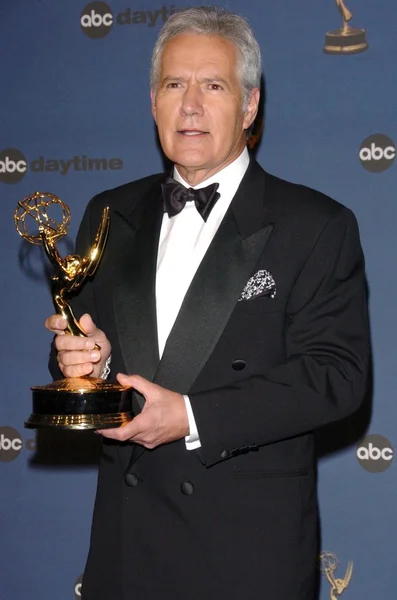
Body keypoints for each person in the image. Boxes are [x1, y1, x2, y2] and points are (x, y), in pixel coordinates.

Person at [46, 6, 369, 600]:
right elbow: (90, 354)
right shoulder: (108, 216)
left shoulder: (316, 225)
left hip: (244, 559)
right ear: (152, 102)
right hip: (125, 553)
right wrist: (80, 361)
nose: (190, 104)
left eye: (213, 85)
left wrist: (194, 417)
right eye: (174, 84)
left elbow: (338, 377)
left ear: (250, 106)